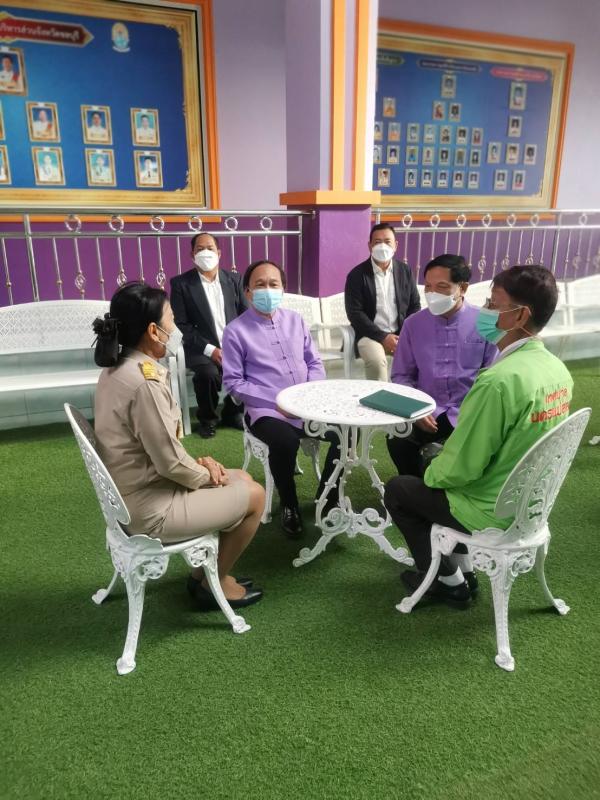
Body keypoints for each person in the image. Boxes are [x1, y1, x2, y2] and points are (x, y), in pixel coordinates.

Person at [384, 265, 573, 607]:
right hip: (532, 502)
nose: (485, 310)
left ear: (520, 315)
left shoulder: (498, 382)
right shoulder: (556, 369)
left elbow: (461, 469)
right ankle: (463, 568)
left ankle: (447, 582)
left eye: (493, 303)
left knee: (400, 489)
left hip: (491, 508)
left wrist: (430, 470)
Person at [93, 282, 265, 611]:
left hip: (135, 493)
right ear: (153, 331)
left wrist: (203, 467)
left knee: (242, 478)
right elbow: (170, 464)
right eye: (171, 320)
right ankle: (212, 584)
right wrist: (209, 475)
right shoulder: (143, 384)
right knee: (255, 496)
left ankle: (205, 574)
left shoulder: (118, 368)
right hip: (151, 508)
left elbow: (159, 451)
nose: (175, 329)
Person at [222, 260, 342, 539]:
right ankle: (289, 504)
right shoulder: (235, 331)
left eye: (273, 284)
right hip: (267, 411)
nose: (267, 289)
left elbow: (314, 362)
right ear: (248, 292)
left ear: (283, 289)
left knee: (346, 431)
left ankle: (328, 494)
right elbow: (234, 383)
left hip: (308, 405)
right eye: (260, 284)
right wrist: (277, 402)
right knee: (285, 441)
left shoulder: (296, 320)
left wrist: (310, 393)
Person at [387, 254, 497, 477]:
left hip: (469, 414)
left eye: (442, 287)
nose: (432, 293)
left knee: (447, 456)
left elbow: (492, 376)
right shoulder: (413, 324)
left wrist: (470, 414)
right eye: (428, 286)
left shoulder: (485, 323)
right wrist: (415, 410)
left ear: (462, 288)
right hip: (426, 411)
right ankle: (411, 487)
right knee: (397, 439)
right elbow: (401, 375)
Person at [170, 233, 247, 438]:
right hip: (200, 347)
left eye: (210, 248)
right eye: (200, 249)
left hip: (234, 345)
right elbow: (181, 324)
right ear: (192, 255)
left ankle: (233, 412)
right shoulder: (181, 284)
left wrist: (237, 347)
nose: (206, 252)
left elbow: (246, 316)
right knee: (208, 374)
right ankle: (208, 419)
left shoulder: (234, 280)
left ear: (219, 253)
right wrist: (211, 350)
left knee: (250, 365)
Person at [344, 222, 421, 381]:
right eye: (377, 242)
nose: (382, 246)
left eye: (387, 242)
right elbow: (355, 313)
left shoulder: (405, 271)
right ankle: (379, 396)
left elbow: (414, 305)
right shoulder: (357, 275)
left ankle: (407, 393)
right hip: (369, 335)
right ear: (369, 246)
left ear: (396, 245)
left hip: (401, 333)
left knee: (422, 355)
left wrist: (405, 334)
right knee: (377, 362)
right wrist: (383, 337)